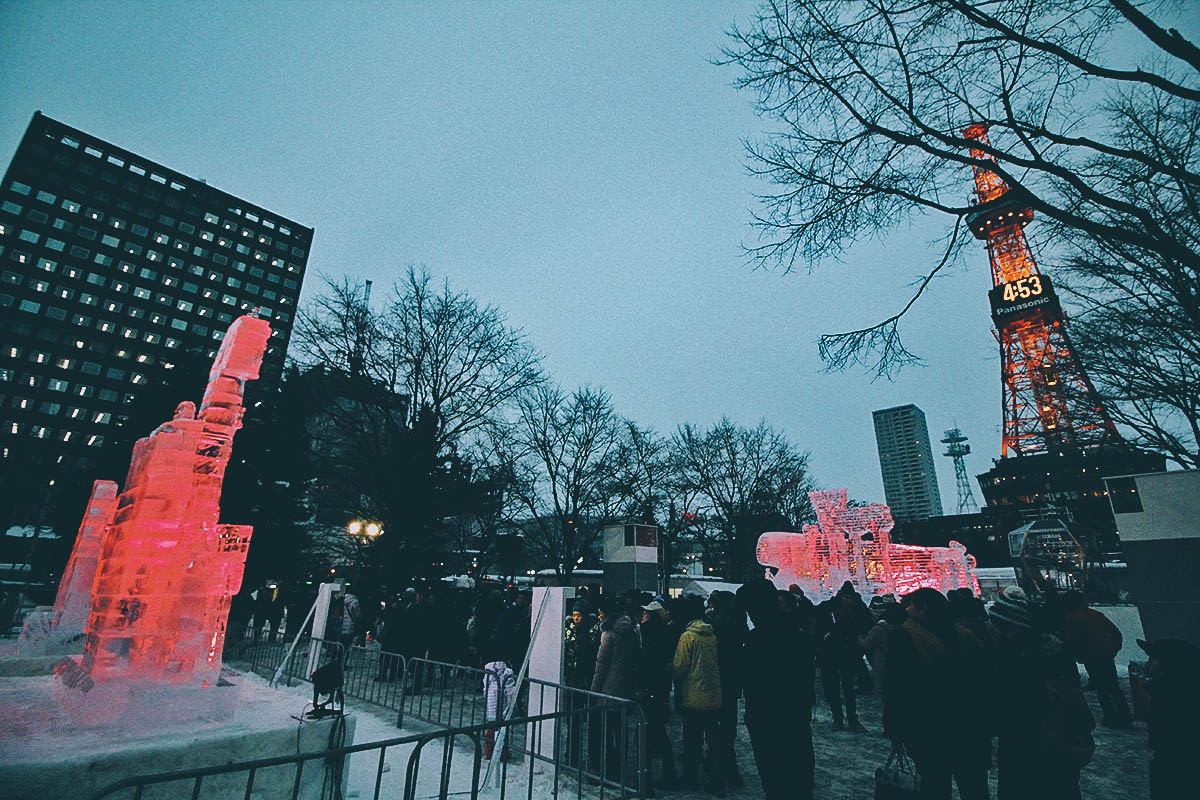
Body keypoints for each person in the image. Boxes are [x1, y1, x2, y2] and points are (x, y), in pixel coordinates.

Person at [883, 588, 991, 800]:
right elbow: (985, 680)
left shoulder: (906, 635)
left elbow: (897, 686)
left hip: (928, 727)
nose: (907, 609)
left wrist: (895, 730)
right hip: (969, 727)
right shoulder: (967, 636)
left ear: (924, 609)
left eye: (911, 604)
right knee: (975, 787)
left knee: (935, 785)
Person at [991, 586, 1093, 800]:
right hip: (1050, 749)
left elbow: (1008, 708)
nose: (991, 628)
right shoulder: (1045, 653)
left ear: (1007, 626)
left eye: (995, 623)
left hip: (1033, 747)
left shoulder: (1016, 662)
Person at [739, 578, 816, 800]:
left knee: (775, 779)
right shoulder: (795, 633)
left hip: (768, 718)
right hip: (794, 714)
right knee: (796, 776)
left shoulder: (757, 640)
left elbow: (749, 680)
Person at [672, 596, 724, 795]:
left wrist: (669, 669)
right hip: (713, 695)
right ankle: (717, 780)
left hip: (693, 695)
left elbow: (680, 667)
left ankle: (690, 777)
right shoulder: (711, 635)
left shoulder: (687, 636)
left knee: (692, 741)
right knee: (713, 740)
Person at [1137, 637, 1200, 799]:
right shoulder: (1177, 689)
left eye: (1152, 659)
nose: (1147, 664)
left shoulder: (1173, 697)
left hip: (1174, 763)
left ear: (1170, 664)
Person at [1062, 591, 1132, 728]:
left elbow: (1072, 639)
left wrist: (1078, 655)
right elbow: (1116, 633)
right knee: (1114, 687)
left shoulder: (1072, 618)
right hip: (1106, 655)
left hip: (1091, 657)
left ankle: (1111, 717)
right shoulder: (1097, 615)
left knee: (1102, 688)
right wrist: (1113, 649)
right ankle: (1124, 717)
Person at [590, 597, 639, 781]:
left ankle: (609, 768)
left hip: (607, 688)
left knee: (606, 731)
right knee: (621, 730)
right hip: (625, 686)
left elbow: (601, 665)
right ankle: (620, 764)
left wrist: (594, 690)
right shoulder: (631, 633)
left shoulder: (608, 635)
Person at [817, 581, 872, 731]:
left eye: (850, 598)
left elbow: (866, 625)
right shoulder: (831, 608)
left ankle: (850, 719)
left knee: (848, 688)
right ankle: (840, 719)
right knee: (838, 689)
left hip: (847, 653)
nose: (848, 600)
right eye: (846, 597)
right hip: (834, 652)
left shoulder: (857, 610)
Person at [708, 590, 746, 786]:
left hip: (717, 680)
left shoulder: (717, 626)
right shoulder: (739, 623)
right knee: (728, 726)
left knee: (714, 726)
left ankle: (717, 768)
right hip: (732, 682)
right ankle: (730, 768)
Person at [858, 600, 906, 694]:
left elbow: (865, 644)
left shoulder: (878, 628)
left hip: (880, 656)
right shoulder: (896, 627)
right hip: (891, 656)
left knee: (879, 678)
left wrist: (858, 636)